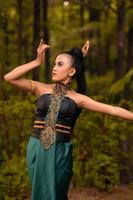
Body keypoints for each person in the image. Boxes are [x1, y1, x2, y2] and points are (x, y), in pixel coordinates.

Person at [4, 39, 133, 200]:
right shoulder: (40, 88)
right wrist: (37, 61)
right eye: (54, 64)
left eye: (60, 64)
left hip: (60, 151)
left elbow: (112, 110)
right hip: (36, 146)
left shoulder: (78, 98)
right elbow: (9, 77)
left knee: (57, 194)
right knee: (39, 193)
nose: (54, 68)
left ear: (71, 72)